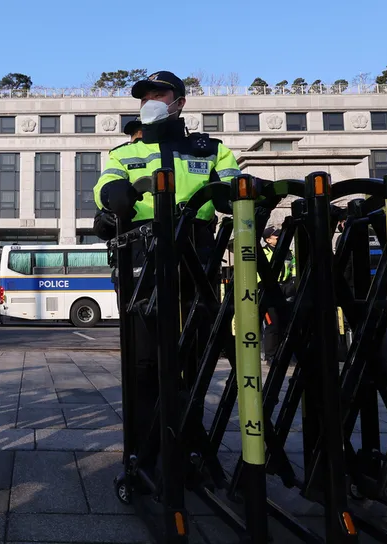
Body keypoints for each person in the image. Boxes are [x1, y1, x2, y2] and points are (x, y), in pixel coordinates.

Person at [93, 70, 241, 473]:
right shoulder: (123, 152)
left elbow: (234, 189)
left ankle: (191, 445)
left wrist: (241, 192)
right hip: (143, 254)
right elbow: (107, 187)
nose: (151, 101)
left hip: (197, 253)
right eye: (145, 96)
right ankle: (144, 450)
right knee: (144, 361)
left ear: (180, 102)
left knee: (193, 355)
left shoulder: (212, 149)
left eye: (159, 93)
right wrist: (114, 197)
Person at [260, 226, 295, 362]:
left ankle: (285, 354)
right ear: (268, 240)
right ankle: (271, 356)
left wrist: (292, 283)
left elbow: (294, 267)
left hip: (286, 289)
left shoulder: (288, 252)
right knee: (272, 325)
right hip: (268, 292)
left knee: (286, 324)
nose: (279, 238)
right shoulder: (262, 253)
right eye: (276, 236)